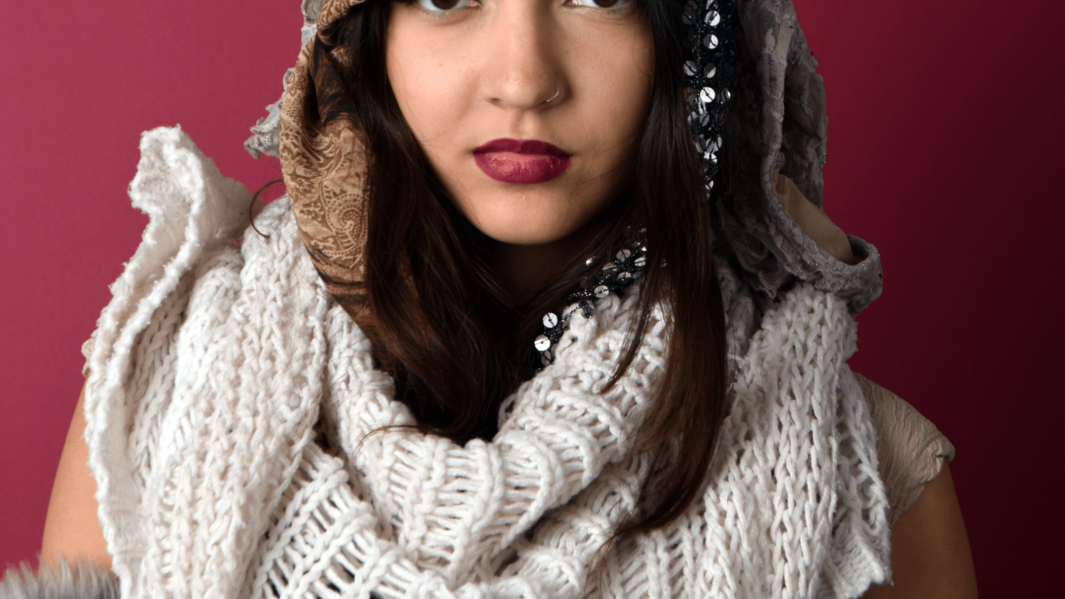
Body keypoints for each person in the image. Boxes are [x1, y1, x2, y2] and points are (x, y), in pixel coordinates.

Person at [7, 0, 976, 597]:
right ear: (366, 27)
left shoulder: (863, 490)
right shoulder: (165, 413)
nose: (523, 79)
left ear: (690, 34)